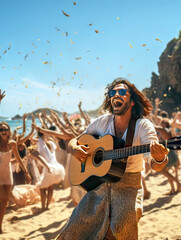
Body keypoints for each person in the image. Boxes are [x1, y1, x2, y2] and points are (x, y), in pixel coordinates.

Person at [57, 78, 170, 240]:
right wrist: (74, 148)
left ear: (132, 101)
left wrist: (159, 159)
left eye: (122, 92)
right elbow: (76, 140)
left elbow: (155, 164)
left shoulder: (142, 126)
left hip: (128, 188)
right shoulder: (102, 122)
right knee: (75, 227)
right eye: (113, 92)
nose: (116, 94)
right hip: (98, 187)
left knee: (119, 229)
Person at [0, 88, 31, 234]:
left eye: (5, 129)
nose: (2, 131)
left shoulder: (13, 143)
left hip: (8, 175)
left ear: (8, 131)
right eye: (1, 129)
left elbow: (19, 159)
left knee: (5, 201)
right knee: (3, 199)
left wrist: (26, 172)